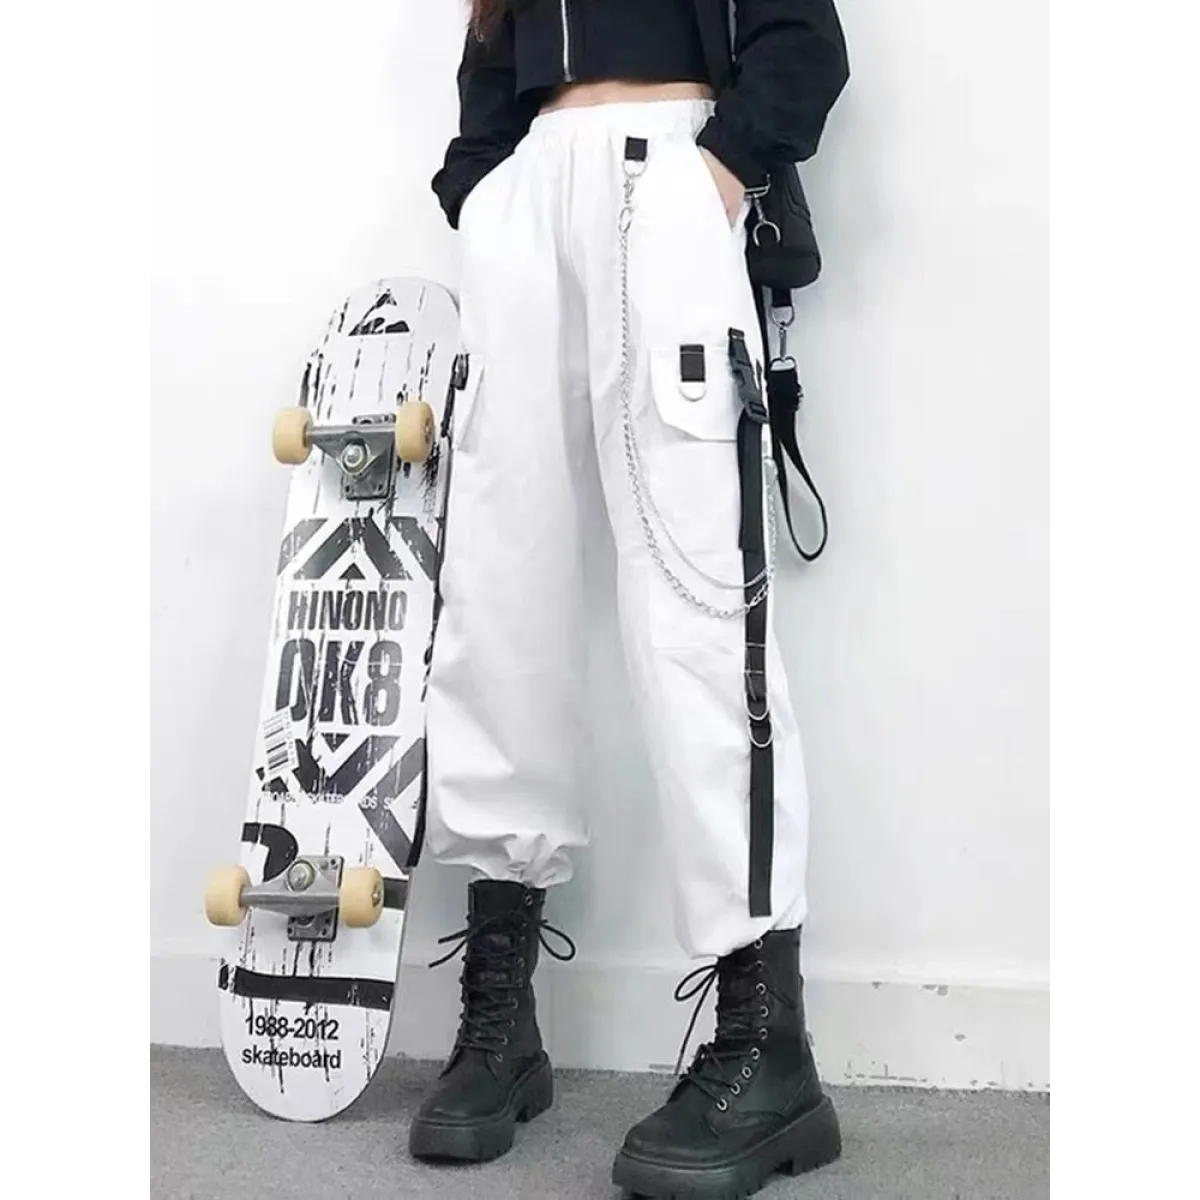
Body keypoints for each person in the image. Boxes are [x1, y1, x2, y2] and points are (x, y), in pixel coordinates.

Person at [414, 2, 849, 1196]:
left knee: (700, 612)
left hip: (673, 177)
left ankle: (770, 1044)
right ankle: (502, 1021)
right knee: (498, 606)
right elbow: (491, 55)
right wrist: (483, 190)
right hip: (528, 199)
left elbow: (803, 39)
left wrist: (720, 172)